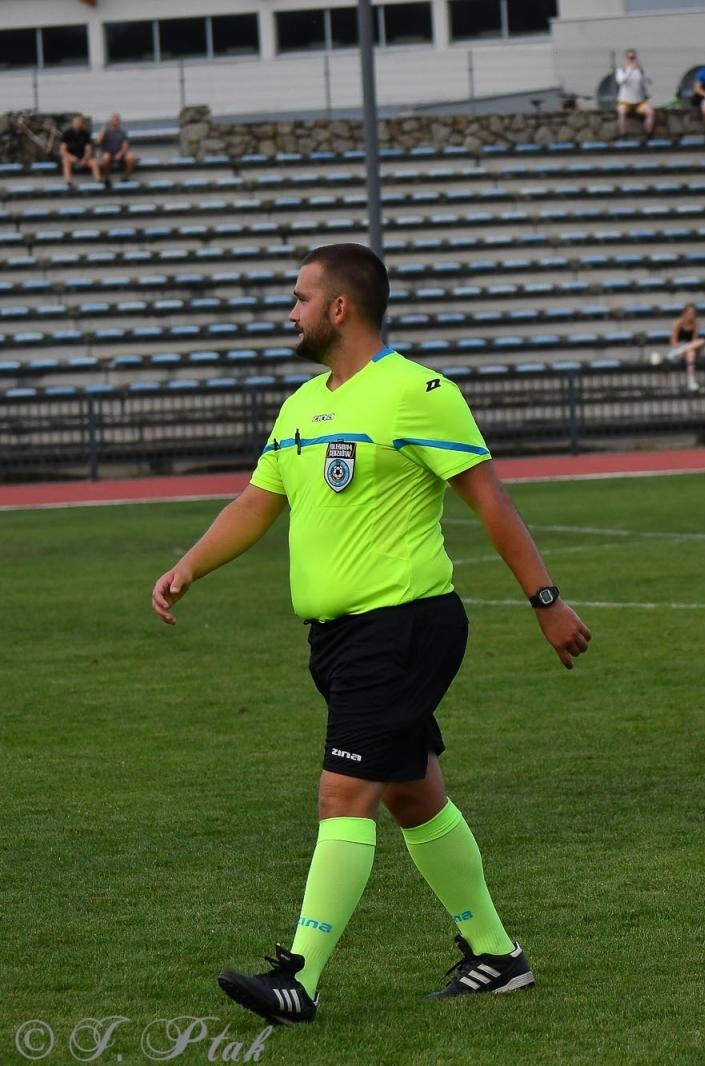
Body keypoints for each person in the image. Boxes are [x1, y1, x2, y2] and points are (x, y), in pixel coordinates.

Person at [150, 242, 592, 1025]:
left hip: (404, 625)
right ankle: (497, 955)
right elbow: (257, 503)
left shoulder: (418, 392)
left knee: (343, 794)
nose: (291, 311)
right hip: (338, 639)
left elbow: (492, 502)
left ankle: (299, 977)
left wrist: (545, 599)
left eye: (300, 297)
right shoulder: (302, 405)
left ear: (340, 308)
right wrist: (189, 566)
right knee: (413, 794)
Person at [652, 303, 705, 391]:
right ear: (684, 313)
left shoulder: (695, 324)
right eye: (689, 313)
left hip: (686, 350)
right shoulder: (678, 323)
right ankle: (691, 381)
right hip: (680, 348)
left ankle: (690, 380)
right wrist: (681, 347)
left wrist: (685, 348)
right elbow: (673, 341)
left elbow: (694, 341)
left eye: (693, 313)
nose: (691, 315)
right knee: (691, 352)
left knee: (701, 342)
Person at [614, 49, 655, 141]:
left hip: (639, 101)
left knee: (650, 112)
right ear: (626, 58)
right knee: (621, 112)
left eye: (634, 57)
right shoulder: (622, 70)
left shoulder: (641, 71)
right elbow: (621, 81)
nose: (632, 60)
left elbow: (650, 81)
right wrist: (630, 71)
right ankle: (623, 134)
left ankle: (648, 133)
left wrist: (641, 71)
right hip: (625, 101)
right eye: (630, 58)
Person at [58, 113, 101, 184]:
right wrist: (72, 158)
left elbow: (88, 149)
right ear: (72, 123)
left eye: (79, 122)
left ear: (82, 124)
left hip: (83, 158)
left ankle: (98, 181)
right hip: (71, 158)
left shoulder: (85, 134)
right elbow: (62, 151)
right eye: (76, 122)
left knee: (94, 162)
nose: (78, 124)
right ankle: (69, 182)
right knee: (65, 161)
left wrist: (85, 159)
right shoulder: (66, 134)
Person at [96, 112, 137, 181]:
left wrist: (120, 154)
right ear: (111, 121)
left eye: (117, 120)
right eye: (114, 120)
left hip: (119, 154)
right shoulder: (105, 130)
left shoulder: (122, 132)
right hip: (107, 153)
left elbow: (125, 145)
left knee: (131, 157)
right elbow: (98, 142)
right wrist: (103, 131)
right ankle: (107, 177)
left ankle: (126, 177)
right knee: (106, 157)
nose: (116, 121)